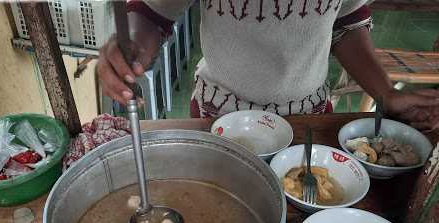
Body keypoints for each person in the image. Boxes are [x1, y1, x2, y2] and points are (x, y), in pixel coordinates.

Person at [97, 0, 439, 131]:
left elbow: (346, 22)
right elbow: (154, 13)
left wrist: (385, 93)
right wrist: (133, 48)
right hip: (219, 116)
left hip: (309, 119)